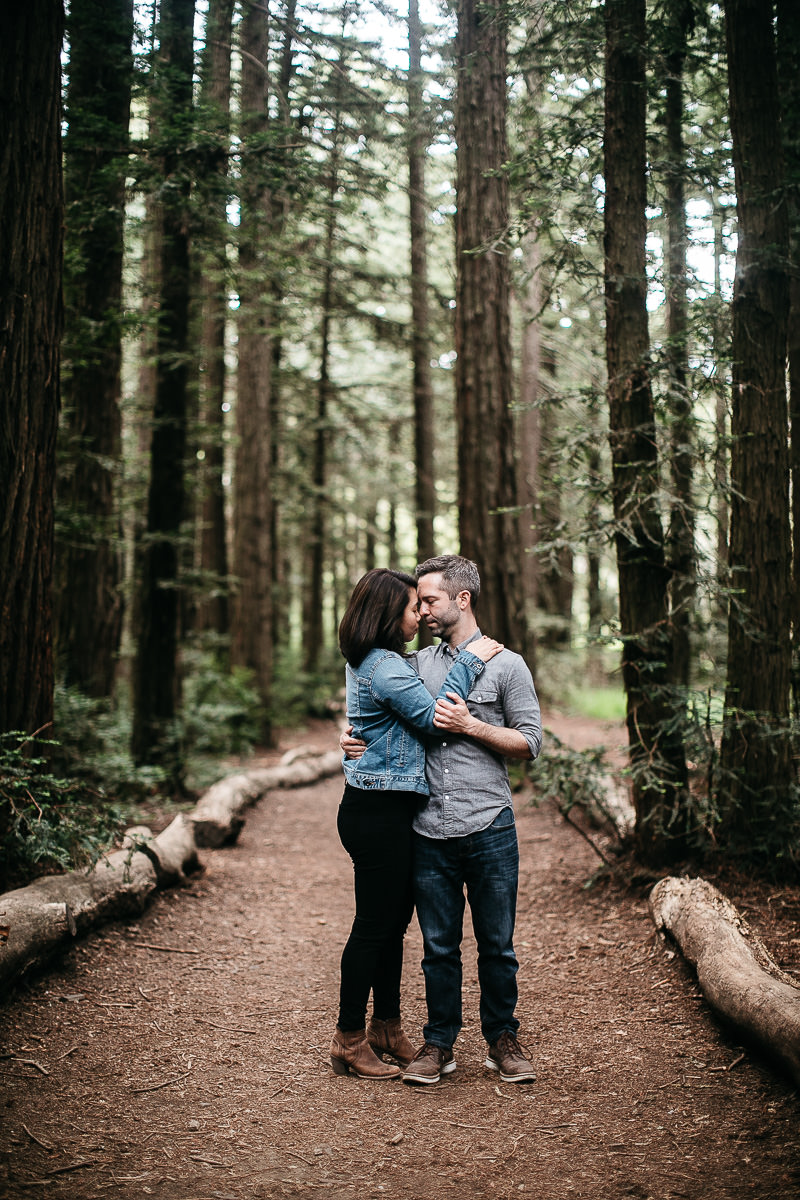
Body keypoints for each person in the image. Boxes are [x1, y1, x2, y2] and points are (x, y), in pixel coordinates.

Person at [341, 554, 542, 1086]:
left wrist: (474, 727)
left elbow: (530, 742)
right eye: (417, 603)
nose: (423, 611)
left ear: (462, 599)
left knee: (497, 945)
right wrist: (349, 745)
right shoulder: (414, 665)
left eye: (429, 600)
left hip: (489, 822)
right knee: (438, 947)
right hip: (426, 827)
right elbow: (379, 715)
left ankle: (503, 1040)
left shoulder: (507, 664)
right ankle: (437, 1043)